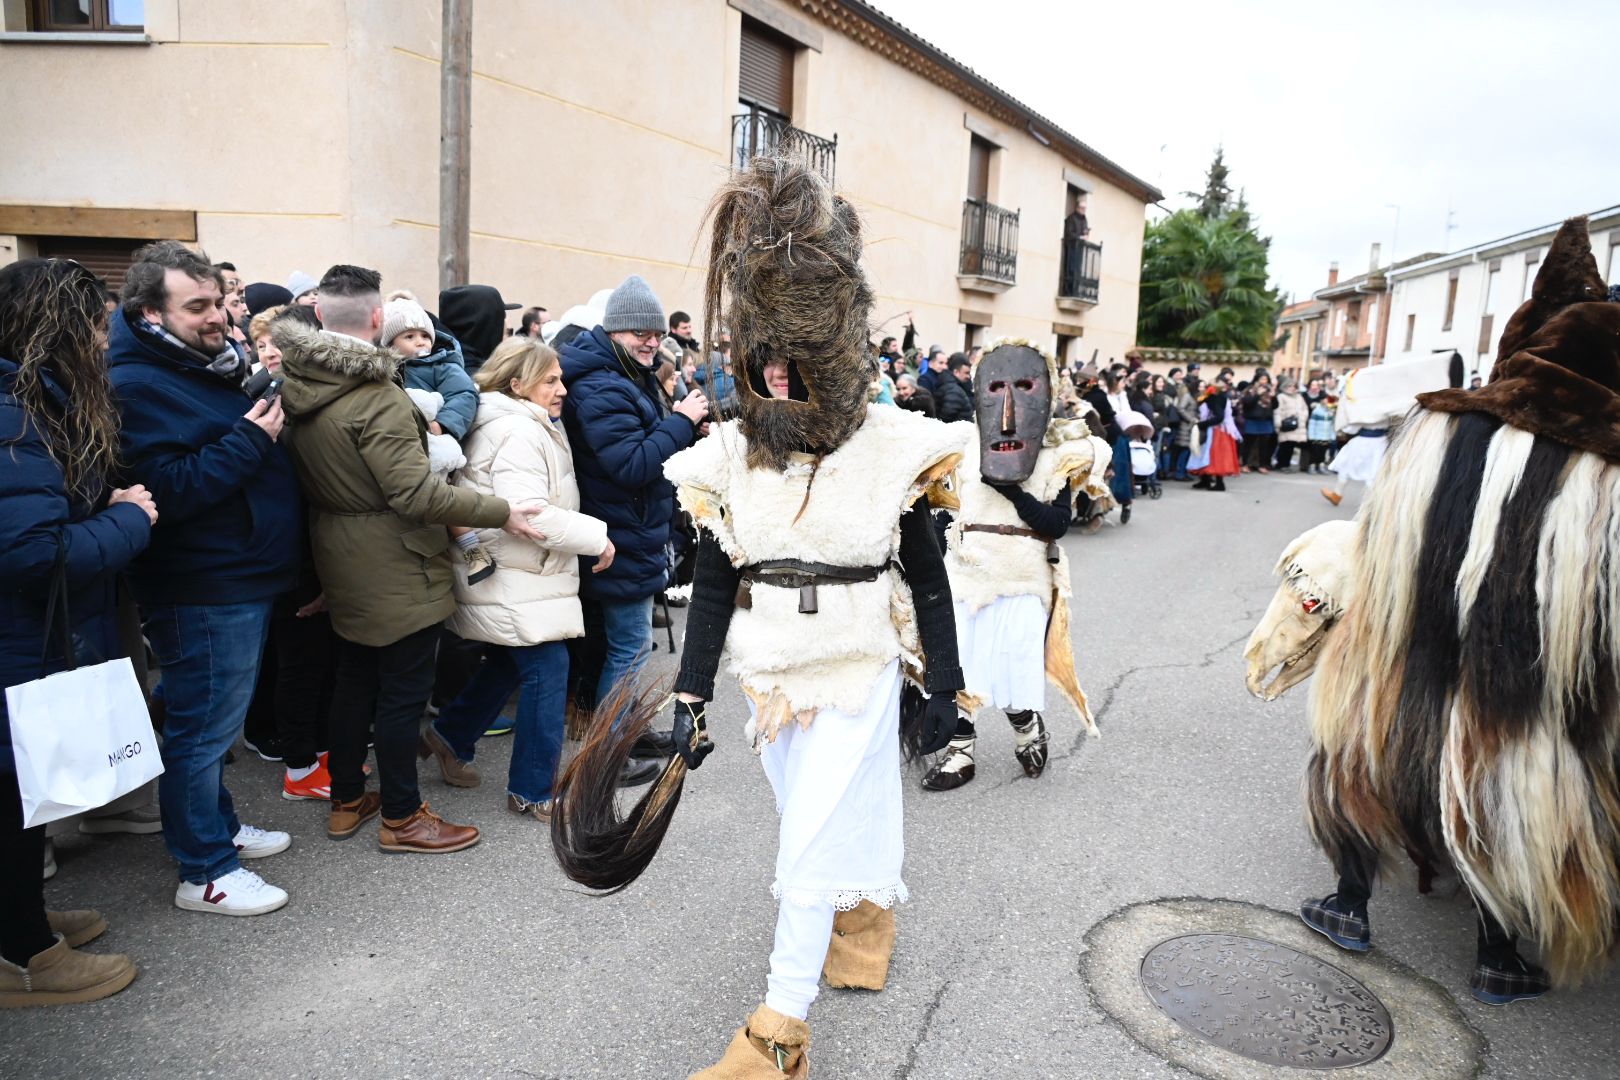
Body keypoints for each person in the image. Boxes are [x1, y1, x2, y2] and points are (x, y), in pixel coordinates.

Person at [551, 158, 967, 1075]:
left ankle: (780, 1029)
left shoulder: (900, 447)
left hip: (855, 671)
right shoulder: (726, 455)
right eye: (763, 358)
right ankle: (861, 921)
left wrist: (948, 689)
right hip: (768, 680)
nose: (775, 375)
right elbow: (709, 581)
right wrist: (693, 697)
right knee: (810, 821)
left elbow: (928, 581)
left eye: (795, 358)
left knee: (810, 841)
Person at [1285, 217, 1620, 1005]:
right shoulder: (1604, 474)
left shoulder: (1437, 428)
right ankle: (1498, 956)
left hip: (1406, 657)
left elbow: (1376, 558)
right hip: (1521, 692)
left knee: (1366, 759)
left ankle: (1349, 904)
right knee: (1506, 794)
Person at [274, 264, 543, 853]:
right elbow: (416, 494)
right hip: (393, 559)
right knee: (399, 695)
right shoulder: (374, 395)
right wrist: (499, 510)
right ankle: (401, 815)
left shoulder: (298, 379)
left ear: (319, 314)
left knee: (354, 682)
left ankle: (348, 798)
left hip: (338, 551)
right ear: (377, 320)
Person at [108, 241, 300, 916]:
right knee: (200, 730)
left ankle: (214, 828)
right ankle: (205, 871)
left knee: (210, 724)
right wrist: (251, 440)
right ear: (150, 313)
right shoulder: (138, 384)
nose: (219, 316)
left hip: (236, 574)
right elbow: (165, 493)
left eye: (219, 300)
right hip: (202, 584)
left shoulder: (202, 364)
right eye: (198, 306)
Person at [0, 259, 150, 1005]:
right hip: (16, 644)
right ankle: (26, 956)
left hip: (21, 642)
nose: (103, 342)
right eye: (95, 326)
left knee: (19, 798)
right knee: (9, 798)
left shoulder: (27, 407)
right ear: (55, 331)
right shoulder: (15, 417)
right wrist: (129, 518)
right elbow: (31, 554)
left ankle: (19, 918)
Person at [420, 336, 613, 822]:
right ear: (518, 383)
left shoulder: (512, 419)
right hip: (517, 570)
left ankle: (449, 736)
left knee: (511, 660)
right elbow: (532, 515)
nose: (562, 388)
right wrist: (599, 538)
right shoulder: (518, 431)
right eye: (550, 380)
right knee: (548, 671)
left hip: (517, 570)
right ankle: (533, 789)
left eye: (560, 377)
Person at [922, 342, 1108, 792]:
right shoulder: (963, 449)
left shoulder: (1056, 456)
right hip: (967, 575)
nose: (1008, 404)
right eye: (996, 387)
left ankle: (1028, 729)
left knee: (1009, 670)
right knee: (962, 667)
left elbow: (1057, 524)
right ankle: (960, 753)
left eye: (1024, 386)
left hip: (1022, 580)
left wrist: (1012, 491)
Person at [558, 275, 706, 747]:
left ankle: (623, 732)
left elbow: (642, 446)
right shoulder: (604, 384)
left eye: (657, 333)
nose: (651, 341)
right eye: (640, 332)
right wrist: (681, 422)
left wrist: (682, 432)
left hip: (627, 528)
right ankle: (609, 751)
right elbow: (630, 464)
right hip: (619, 532)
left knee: (623, 647)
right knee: (630, 647)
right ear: (615, 330)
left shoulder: (624, 374)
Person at [380, 290, 495, 583]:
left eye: (424, 335)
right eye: (409, 336)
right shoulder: (385, 371)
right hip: (404, 442)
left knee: (440, 495)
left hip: (435, 439)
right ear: (389, 342)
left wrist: (442, 424)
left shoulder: (442, 365)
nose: (420, 342)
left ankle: (473, 550)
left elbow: (464, 395)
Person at [438, 283, 520, 374]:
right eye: (508, 333)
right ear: (486, 328)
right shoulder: (471, 379)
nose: (511, 340)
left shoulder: (445, 364)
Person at [1188, 377, 1241, 491]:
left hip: (1216, 431)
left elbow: (1219, 417)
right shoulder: (1219, 397)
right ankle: (1205, 479)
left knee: (1214, 456)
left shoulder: (1215, 398)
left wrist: (1203, 424)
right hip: (1219, 429)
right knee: (1206, 454)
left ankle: (1218, 483)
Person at [1240, 380, 1277, 472]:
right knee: (1249, 444)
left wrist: (1274, 397)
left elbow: (1275, 406)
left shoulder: (1269, 391)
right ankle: (1244, 464)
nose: (1263, 382)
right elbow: (1247, 403)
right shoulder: (1250, 390)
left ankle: (1262, 465)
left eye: (1265, 380)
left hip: (1265, 420)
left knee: (1264, 445)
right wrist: (1257, 395)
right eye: (1262, 379)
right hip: (1252, 420)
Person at [1273, 377, 1308, 471]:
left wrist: (1303, 417)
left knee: (1291, 446)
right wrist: (1278, 423)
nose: (1292, 388)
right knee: (1285, 445)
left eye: (1293, 386)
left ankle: (1286, 464)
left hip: (1297, 425)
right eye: (1289, 386)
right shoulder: (1281, 397)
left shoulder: (1299, 397)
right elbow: (1278, 410)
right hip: (1286, 424)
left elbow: (1305, 409)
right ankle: (1282, 464)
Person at [935, 351, 975, 422]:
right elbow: (946, 419)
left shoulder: (952, 386)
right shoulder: (953, 391)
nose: (968, 376)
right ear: (956, 372)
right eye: (966, 373)